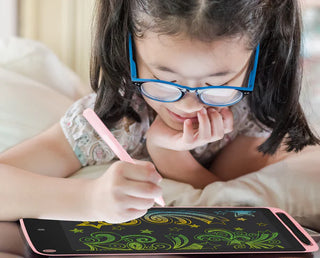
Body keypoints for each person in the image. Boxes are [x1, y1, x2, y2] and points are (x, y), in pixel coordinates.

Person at [0, 0, 319, 226]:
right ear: (128, 50)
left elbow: (219, 189)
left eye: (218, 83)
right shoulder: (112, 123)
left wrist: (167, 152)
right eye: (164, 81)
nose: (189, 105)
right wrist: (88, 198)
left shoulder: (250, 112)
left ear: (255, 60)